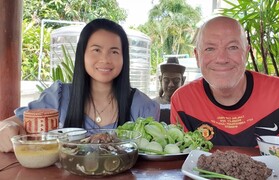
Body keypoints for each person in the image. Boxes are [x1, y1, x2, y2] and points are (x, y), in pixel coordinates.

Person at [0, 18, 160, 153]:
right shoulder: (59, 97)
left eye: (114, 52)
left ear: (124, 58)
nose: (105, 59)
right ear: (82, 54)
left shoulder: (142, 106)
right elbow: (10, 124)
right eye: (96, 50)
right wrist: (6, 128)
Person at [170, 16, 279, 150]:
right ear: (197, 56)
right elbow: (179, 164)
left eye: (232, 47)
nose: (222, 59)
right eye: (210, 49)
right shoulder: (183, 101)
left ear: (246, 53)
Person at [153, 57, 185, 124]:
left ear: (182, 81)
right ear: (160, 79)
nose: (171, 84)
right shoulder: (153, 105)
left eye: (176, 81)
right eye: (166, 80)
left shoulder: (186, 106)